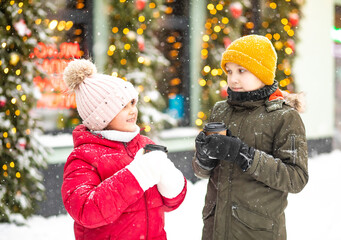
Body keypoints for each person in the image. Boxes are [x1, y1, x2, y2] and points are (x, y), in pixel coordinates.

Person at [193, 35, 308, 240]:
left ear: (262, 73)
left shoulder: (283, 117)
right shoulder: (220, 111)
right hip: (215, 230)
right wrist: (204, 156)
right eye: (229, 71)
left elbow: (296, 178)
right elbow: (203, 172)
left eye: (242, 70)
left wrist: (245, 155)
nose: (233, 79)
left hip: (255, 232)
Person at [61, 59, 187, 240]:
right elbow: (85, 210)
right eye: (123, 107)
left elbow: (171, 204)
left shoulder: (144, 145)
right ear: (101, 117)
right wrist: (137, 175)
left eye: (133, 103)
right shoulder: (83, 157)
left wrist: (170, 181)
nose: (132, 111)